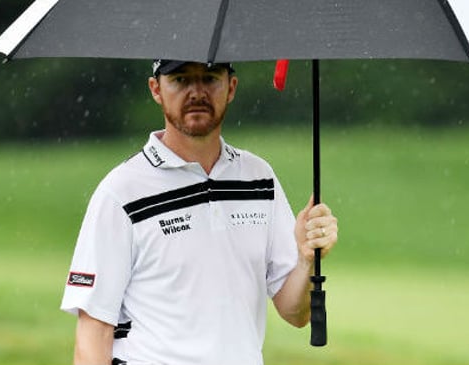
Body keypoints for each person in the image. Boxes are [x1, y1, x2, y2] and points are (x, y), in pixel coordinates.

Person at [61, 60, 339, 365]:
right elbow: (93, 334)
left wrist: (306, 260)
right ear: (156, 90)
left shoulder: (259, 178)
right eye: (180, 80)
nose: (196, 92)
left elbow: (295, 313)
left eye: (209, 78)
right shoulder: (121, 192)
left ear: (231, 87)